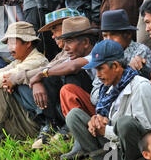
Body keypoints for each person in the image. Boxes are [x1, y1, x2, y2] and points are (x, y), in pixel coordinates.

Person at [66, 39, 151, 160]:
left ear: (115, 66)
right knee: (74, 116)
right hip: (114, 149)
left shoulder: (141, 87)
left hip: (139, 154)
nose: (97, 74)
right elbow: (108, 123)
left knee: (125, 123)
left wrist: (106, 131)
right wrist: (96, 122)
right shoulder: (107, 89)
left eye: (100, 68)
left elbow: (149, 133)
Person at [29, 16, 99, 150]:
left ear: (85, 42)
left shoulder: (98, 52)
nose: (65, 48)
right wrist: (39, 80)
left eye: (69, 42)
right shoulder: (75, 55)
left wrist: (40, 74)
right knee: (52, 77)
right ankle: (53, 125)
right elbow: (51, 70)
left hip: (101, 109)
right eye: (64, 42)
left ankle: (74, 132)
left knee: (70, 79)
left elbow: (73, 67)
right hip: (89, 105)